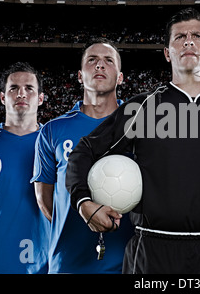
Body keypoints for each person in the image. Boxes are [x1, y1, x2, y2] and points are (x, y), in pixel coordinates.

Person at [66, 8, 200, 274]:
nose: (188, 41)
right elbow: (83, 151)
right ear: (167, 53)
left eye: (196, 36)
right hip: (152, 251)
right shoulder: (142, 107)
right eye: (179, 37)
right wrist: (83, 202)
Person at [31, 37, 133, 273]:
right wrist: (81, 216)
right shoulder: (53, 130)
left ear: (120, 77)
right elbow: (44, 199)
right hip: (68, 263)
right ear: (79, 75)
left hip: (128, 263)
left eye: (108, 60)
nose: (100, 65)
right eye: (92, 60)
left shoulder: (140, 126)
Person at [0, 62, 49, 273]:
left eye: (29, 88)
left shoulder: (55, 147)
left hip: (46, 265)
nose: (21, 94)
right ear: (2, 97)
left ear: (41, 98)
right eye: (13, 88)